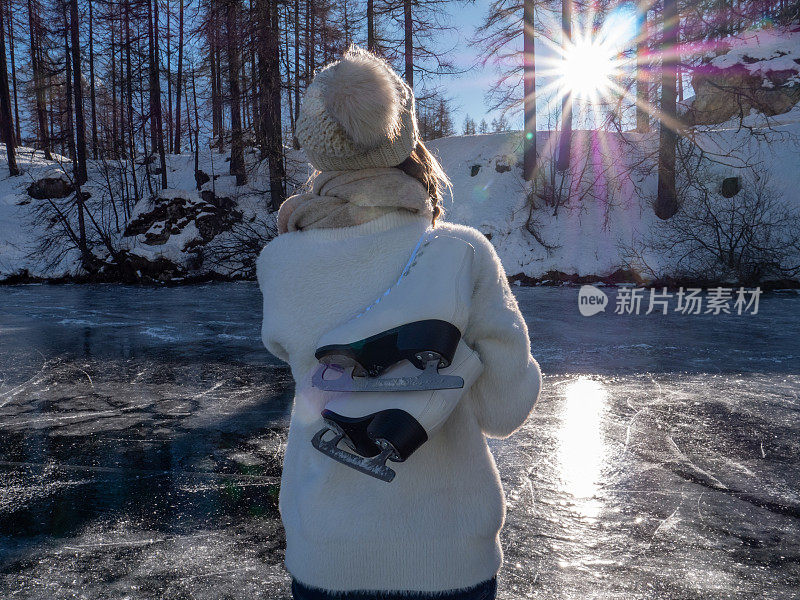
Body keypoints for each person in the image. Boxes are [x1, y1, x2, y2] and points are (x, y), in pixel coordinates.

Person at [257, 46, 542, 600]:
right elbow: (505, 411)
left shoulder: (281, 263)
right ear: (403, 136)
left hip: (327, 556)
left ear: (318, 146)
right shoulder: (462, 254)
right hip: (449, 560)